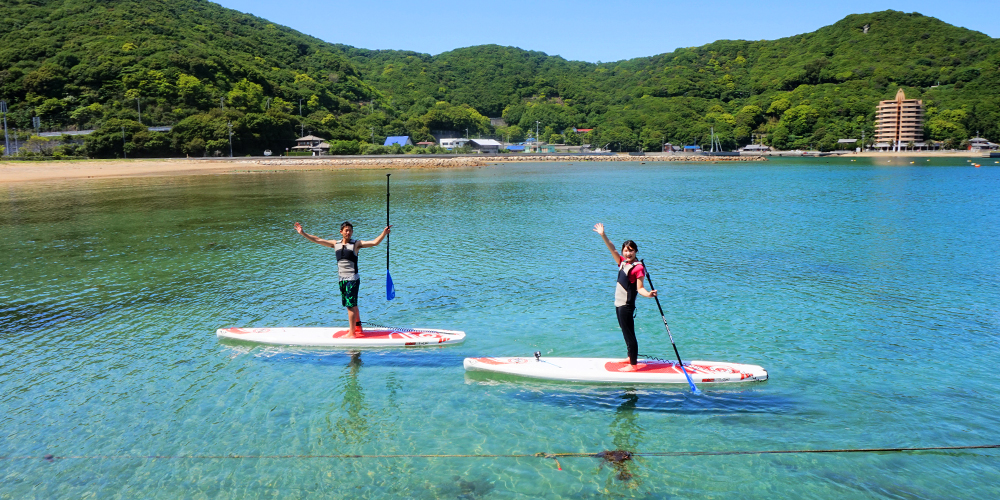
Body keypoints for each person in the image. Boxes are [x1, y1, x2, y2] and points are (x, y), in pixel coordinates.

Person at [294, 220, 391, 338]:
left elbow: (374, 243)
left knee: (350, 306)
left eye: (350, 230)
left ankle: (352, 333)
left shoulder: (356, 244)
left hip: (352, 279)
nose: (349, 232)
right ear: (341, 232)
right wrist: (303, 233)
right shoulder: (336, 244)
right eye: (346, 230)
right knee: (353, 304)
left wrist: (384, 233)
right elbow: (318, 240)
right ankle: (358, 328)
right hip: (342, 280)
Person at [594, 223, 657, 372]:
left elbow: (640, 288)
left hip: (626, 306)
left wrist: (648, 294)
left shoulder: (638, 267)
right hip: (618, 304)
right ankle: (630, 357)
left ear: (636, 251)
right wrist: (603, 235)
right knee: (624, 331)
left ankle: (633, 365)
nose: (628, 253)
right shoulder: (622, 262)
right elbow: (612, 248)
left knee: (630, 334)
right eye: (626, 250)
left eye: (631, 251)